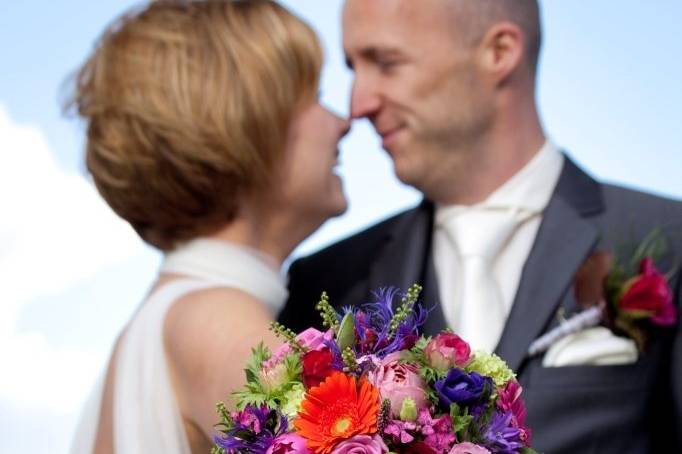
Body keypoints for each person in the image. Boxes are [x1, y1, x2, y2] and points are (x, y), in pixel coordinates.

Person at [278, 1, 682, 453]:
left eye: (387, 63)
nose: (358, 104)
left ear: (499, 52)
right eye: (354, 67)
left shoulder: (671, 238)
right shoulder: (327, 281)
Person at [66, 1, 349, 452]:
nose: (343, 122)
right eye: (314, 98)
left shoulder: (175, 314)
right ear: (251, 124)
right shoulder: (219, 321)